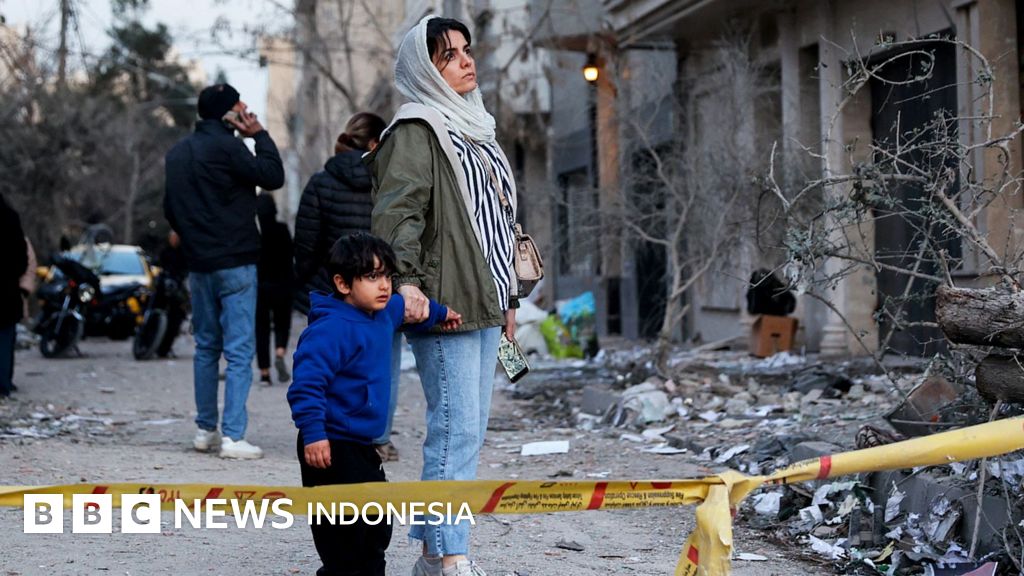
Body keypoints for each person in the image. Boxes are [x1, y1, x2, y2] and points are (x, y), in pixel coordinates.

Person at [367, 16, 520, 576]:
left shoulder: (476, 128)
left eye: (465, 50)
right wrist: (407, 286)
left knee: (469, 432)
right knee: (453, 430)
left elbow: (495, 223)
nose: (464, 61)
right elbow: (396, 215)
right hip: (445, 303)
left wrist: (509, 303)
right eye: (447, 55)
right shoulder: (416, 130)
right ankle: (450, 554)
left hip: (485, 300)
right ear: (423, 70)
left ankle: (434, 554)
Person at [287, 232, 461, 576]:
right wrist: (313, 433)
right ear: (342, 283)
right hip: (330, 444)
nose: (383, 285)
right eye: (371, 277)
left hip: (363, 443)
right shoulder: (330, 329)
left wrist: (440, 314)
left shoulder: (383, 311)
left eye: (387, 276)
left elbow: (408, 311)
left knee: (376, 523)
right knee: (341, 532)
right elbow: (306, 385)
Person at [163, 83, 285, 460]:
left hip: (199, 265)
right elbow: (272, 176)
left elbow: (171, 208)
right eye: (238, 104)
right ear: (225, 113)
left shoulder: (178, 153)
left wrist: (193, 239)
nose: (246, 107)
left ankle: (205, 431)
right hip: (236, 263)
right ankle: (233, 436)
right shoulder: (230, 147)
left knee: (206, 348)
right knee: (238, 350)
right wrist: (260, 135)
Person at [255, 194, 294, 385]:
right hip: (282, 284)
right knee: (282, 322)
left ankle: (264, 373)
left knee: (261, 328)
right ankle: (279, 352)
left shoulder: (255, 233)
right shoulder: (282, 230)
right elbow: (290, 256)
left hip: (260, 286)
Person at [1, 195, 28, 399]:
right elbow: (21, 257)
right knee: (5, 339)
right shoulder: (10, 216)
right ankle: (3, 383)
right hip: (6, 291)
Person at [156, 231, 189, 358]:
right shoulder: (165, 252)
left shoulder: (183, 253)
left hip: (177, 291)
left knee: (175, 320)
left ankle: (165, 347)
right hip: (163, 291)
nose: (174, 240)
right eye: (172, 237)